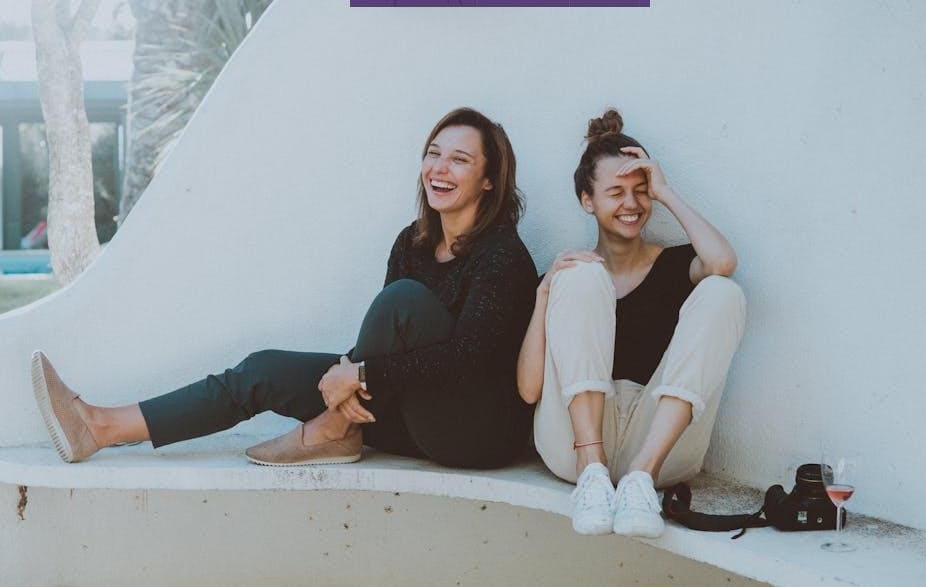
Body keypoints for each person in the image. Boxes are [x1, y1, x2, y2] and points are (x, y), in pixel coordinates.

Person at [33, 107, 538, 470]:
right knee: (261, 370)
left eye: (460, 160)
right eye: (433, 153)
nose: (440, 168)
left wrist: (358, 372)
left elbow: (471, 358)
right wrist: (350, 374)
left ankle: (333, 430)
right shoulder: (414, 241)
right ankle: (99, 426)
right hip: (411, 413)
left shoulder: (502, 254)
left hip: (474, 434)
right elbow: (387, 344)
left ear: (489, 180)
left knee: (401, 301)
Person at [517, 109, 747, 538]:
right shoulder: (568, 277)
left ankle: (639, 478)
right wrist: (544, 293)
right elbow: (529, 389)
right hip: (574, 444)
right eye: (616, 192)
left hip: (659, 446)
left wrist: (666, 193)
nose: (631, 204)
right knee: (581, 274)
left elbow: (723, 261)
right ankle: (593, 471)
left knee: (723, 291)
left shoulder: (675, 264)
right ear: (588, 201)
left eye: (640, 192)